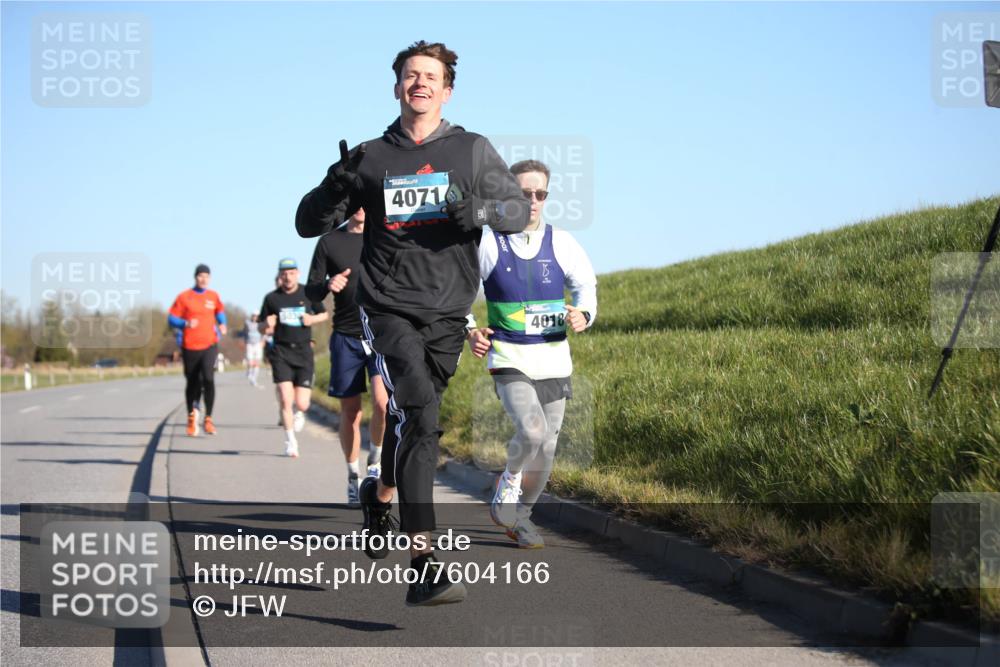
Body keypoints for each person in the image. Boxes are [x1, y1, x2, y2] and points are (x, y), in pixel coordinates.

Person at [296, 40, 529, 606]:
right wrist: (335, 183)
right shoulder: (372, 157)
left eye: (431, 76)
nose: (419, 83)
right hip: (387, 306)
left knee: (409, 423)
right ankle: (424, 562)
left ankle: (380, 495)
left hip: (448, 312)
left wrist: (473, 210)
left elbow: (516, 214)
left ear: (447, 90)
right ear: (397, 86)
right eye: (410, 75)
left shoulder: (471, 150)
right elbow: (308, 224)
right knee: (420, 414)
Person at [466, 159, 597, 548]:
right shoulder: (489, 241)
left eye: (540, 194)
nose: (533, 201)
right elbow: (458, 293)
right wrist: (470, 331)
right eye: (524, 194)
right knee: (532, 429)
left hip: (554, 359)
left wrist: (584, 314)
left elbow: (585, 286)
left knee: (548, 446)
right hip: (509, 357)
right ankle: (507, 481)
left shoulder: (563, 242)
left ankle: (522, 518)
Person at [306, 208, 388, 506]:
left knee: (383, 403)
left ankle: (376, 459)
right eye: (355, 201)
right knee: (351, 413)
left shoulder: (384, 233)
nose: (361, 208)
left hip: (380, 334)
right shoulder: (330, 241)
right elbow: (311, 290)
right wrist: (328, 285)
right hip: (346, 336)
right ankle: (352, 475)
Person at [259, 258, 328, 458]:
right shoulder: (272, 298)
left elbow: (324, 314)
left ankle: (300, 412)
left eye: (291, 273)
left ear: (297, 273)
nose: (287, 277)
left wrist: (311, 319)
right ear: (280, 276)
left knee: (303, 403)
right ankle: (291, 442)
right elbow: (261, 326)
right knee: (285, 399)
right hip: (281, 351)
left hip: (304, 351)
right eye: (284, 274)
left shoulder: (307, 293)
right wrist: (266, 324)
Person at [168, 264, 227, 437]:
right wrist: (184, 323)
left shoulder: (213, 296)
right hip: (190, 345)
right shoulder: (184, 297)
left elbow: (220, 312)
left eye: (206, 276)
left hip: (209, 344)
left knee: (208, 378)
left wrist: (222, 324)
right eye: (200, 276)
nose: (203, 279)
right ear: (195, 277)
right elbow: (172, 318)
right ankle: (191, 415)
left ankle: (208, 418)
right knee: (193, 382)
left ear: (209, 278)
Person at [244, 313, 264, 386]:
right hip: (250, 344)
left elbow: (264, 333)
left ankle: (254, 378)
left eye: (256, 316)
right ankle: (249, 371)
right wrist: (245, 342)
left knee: (257, 361)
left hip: (258, 344)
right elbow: (245, 333)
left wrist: (263, 341)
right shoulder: (247, 323)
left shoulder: (261, 324)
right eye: (254, 316)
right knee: (250, 360)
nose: (255, 317)